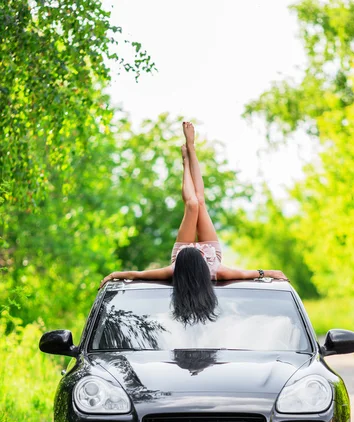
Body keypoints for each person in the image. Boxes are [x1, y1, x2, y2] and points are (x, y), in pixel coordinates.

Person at [100, 122, 288, 325]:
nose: (197, 247)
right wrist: (268, 273)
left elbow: (137, 274)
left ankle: (187, 160)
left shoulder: (172, 269)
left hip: (182, 257)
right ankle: (192, 150)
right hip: (212, 256)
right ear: (201, 261)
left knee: (191, 205)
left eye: (196, 249)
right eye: (197, 251)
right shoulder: (218, 270)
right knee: (199, 200)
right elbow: (247, 274)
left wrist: (114, 275)